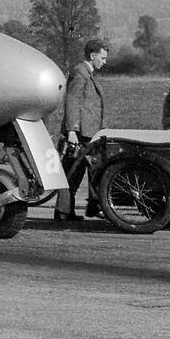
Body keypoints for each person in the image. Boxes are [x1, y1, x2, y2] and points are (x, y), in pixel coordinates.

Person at [54, 40, 108, 221]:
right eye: (103, 57)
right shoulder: (80, 72)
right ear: (93, 56)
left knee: (87, 170)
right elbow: (72, 101)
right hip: (79, 134)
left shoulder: (87, 73)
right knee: (72, 172)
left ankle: (73, 210)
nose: (104, 62)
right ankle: (63, 212)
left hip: (88, 133)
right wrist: (71, 130)